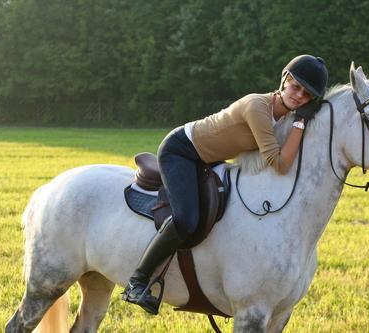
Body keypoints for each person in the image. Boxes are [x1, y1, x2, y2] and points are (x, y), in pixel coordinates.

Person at [122, 54, 329, 314]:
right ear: (284, 79)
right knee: (186, 219)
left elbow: (290, 156)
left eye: (307, 94)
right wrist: (301, 120)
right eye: (296, 86)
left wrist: (299, 122)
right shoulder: (258, 107)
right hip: (182, 151)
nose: (299, 95)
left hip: (210, 158)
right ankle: (137, 281)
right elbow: (281, 163)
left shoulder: (286, 118)